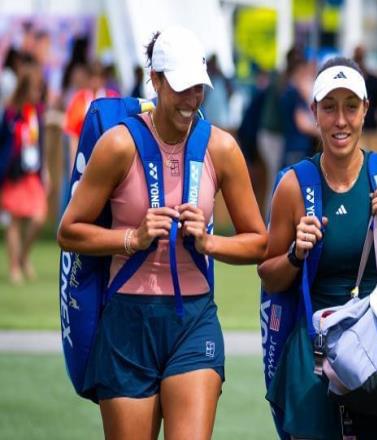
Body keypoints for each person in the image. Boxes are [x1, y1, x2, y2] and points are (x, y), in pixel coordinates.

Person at [57, 26, 267, 440]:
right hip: (126, 323)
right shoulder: (119, 145)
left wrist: (209, 242)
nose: (192, 100)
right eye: (182, 87)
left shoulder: (221, 148)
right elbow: (69, 231)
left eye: (198, 88)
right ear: (155, 80)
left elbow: (259, 242)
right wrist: (131, 239)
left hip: (193, 320)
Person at [258, 56, 377, 440]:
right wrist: (295, 254)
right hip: (315, 363)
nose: (340, 120)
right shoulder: (294, 185)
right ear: (314, 112)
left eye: (350, 107)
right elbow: (270, 278)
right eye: (329, 108)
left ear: (365, 110)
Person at [0, 60, 48, 284]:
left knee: (39, 217)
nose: (38, 93)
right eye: (35, 88)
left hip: (32, 174)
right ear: (25, 88)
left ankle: (23, 256)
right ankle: (14, 267)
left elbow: (41, 143)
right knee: (15, 221)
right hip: (14, 174)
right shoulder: (11, 113)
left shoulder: (38, 112)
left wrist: (45, 170)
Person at [63, 60, 120, 174]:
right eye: (93, 77)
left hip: (108, 156)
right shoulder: (79, 99)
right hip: (84, 157)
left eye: (99, 78)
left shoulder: (113, 98)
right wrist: (73, 166)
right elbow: (73, 136)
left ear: (104, 79)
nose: (96, 81)